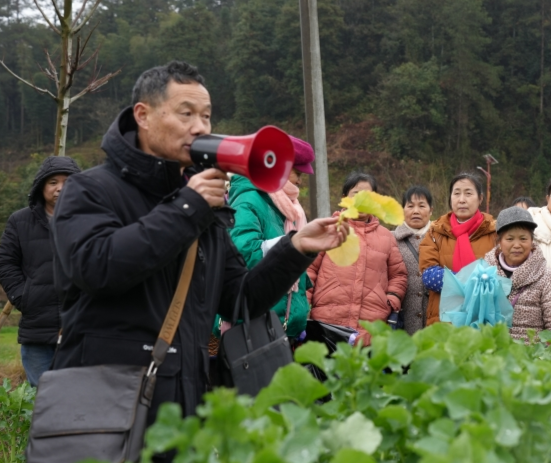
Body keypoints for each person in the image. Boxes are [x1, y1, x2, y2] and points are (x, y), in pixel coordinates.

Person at [48, 61, 349, 431]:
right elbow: (96, 268)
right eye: (185, 113)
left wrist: (297, 247)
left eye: (206, 116)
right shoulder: (90, 189)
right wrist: (187, 208)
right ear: (143, 115)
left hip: (182, 401)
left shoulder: (200, 208)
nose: (200, 128)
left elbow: (241, 298)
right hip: (105, 404)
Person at [0, 156, 81, 386]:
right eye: (53, 182)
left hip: (81, 328)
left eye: (68, 181)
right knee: (42, 399)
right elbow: (6, 262)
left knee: (79, 397)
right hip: (37, 327)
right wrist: (23, 296)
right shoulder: (20, 221)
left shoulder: (92, 218)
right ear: (41, 187)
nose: (60, 188)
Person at [226, 135, 315, 338]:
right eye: (297, 172)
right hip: (256, 329)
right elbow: (244, 254)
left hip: (279, 327)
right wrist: (293, 246)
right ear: (277, 166)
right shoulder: (248, 200)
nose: (300, 181)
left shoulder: (286, 206)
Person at [307, 172, 407, 344]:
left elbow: (399, 275)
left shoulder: (386, 237)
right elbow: (309, 271)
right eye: (356, 194)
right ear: (345, 198)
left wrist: (390, 301)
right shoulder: (329, 229)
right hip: (326, 324)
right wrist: (305, 308)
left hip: (370, 329)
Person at [420, 172, 496, 326]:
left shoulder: (495, 232)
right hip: (443, 320)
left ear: (480, 198)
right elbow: (428, 275)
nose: (462, 199)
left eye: (468, 193)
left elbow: (502, 274)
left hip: (484, 318)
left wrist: (453, 280)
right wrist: (475, 281)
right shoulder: (436, 231)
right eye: (456, 193)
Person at [484, 207, 551, 341]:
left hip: (532, 356)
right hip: (492, 354)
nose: (517, 245)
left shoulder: (546, 276)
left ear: (532, 241)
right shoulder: (485, 273)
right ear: (499, 241)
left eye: (523, 239)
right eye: (510, 239)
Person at [393, 185, 433, 335]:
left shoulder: (442, 239)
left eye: (422, 205)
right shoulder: (390, 240)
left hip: (435, 322)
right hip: (401, 322)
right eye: (410, 206)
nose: (416, 211)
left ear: (431, 210)